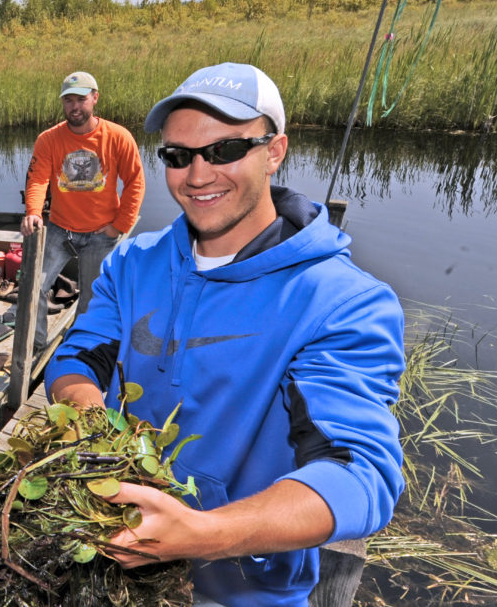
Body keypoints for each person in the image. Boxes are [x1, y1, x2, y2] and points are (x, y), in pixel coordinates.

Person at [44, 62, 405, 606]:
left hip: (246, 589)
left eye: (224, 150)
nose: (197, 174)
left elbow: (359, 473)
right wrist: (96, 430)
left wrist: (202, 534)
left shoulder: (340, 301)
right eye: (177, 155)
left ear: (274, 150)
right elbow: (78, 356)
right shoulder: (133, 262)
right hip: (115, 566)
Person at [21, 70, 147, 349]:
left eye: (81, 99)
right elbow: (39, 178)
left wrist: (119, 225)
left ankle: (77, 347)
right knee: (33, 288)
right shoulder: (49, 139)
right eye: (68, 101)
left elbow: (135, 182)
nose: (74, 107)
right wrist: (33, 211)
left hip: (101, 232)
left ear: (95, 98)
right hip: (59, 227)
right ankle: (37, 346)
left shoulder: (118, 136)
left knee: (92, 298)